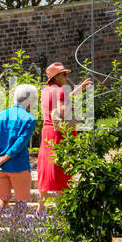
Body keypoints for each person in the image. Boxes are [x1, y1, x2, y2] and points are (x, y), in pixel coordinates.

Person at [37, 62, 91, 200]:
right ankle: (64, 206)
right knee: (61, 170)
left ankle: (41, 206)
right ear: (57, 76)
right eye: (64, 74)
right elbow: (61, 109)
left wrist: (78, 90)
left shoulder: (45, 91)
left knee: (47, 169)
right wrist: (74, 111)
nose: (66, 77)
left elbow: (59, 101)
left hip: (47, 131)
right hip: (59, 133)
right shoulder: (60, 90)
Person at [0, 84, 37, 210]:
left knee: (1, 199)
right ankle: (14, 229)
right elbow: (20, 142)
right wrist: (5, 158)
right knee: (21, 202)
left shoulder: (0, 115)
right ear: (29, 101)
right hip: (19, 166)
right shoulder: (29, 119)